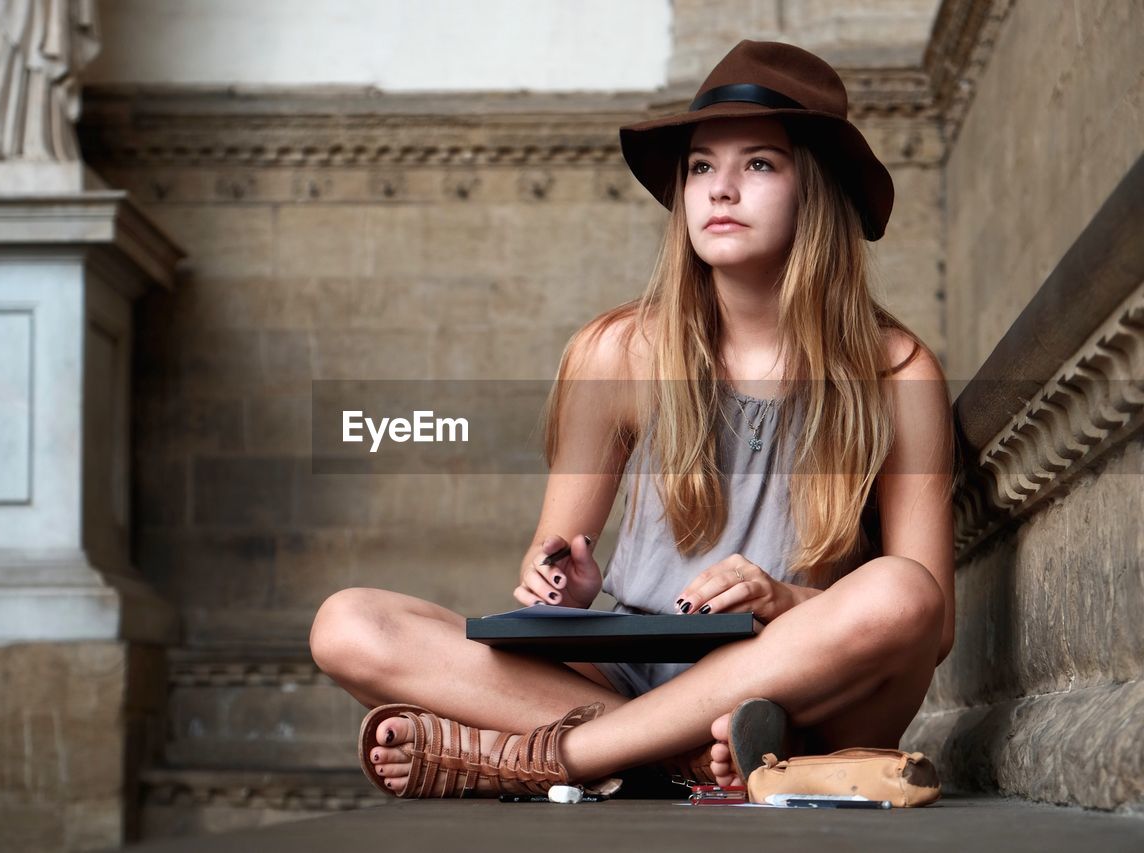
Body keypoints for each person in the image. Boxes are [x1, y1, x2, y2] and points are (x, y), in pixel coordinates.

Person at [309, 39, 955, 798]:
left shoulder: (896, 370)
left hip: (794, 685)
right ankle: (679, 760)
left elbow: (930, 626)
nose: (721, 189)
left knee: (901, 592)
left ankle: (561, 761)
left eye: (759, 164)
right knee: (348, 623)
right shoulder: (615, 351)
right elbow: (550, 572)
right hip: (646, 681)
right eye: (700, 167)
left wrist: (785, 600)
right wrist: (564, 587)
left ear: (817, 187)